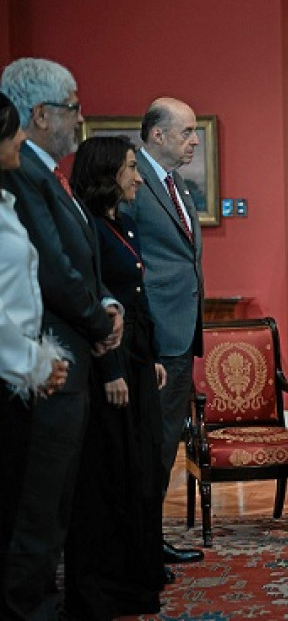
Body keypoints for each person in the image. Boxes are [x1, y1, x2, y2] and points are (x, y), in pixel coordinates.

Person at [0, 57, 124, 619]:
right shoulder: (22, 171)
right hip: (42, 367)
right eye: (73, 107)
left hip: (66, 357)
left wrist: (105, 307)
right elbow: (51, 268)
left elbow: (80, 260)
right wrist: (98, 324)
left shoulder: (47, 173)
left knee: (54, 511)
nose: (81, 118)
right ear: (41, 113)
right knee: (36, 511)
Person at [61, 137, 166, 617]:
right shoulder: (88, 227)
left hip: (138, 358)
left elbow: (138, 296)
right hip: (111, 366)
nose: (138, 177)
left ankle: (137, 572)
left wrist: (153, 357)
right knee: (110, 473)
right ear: (107, 172)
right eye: (130, 167)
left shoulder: (121, 222)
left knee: (140, 467)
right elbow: (90, 301)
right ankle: (108, 584)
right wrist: (112, 370)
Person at [123, 97, 205, 571]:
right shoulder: (134, 182)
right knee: (150, 446)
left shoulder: (177, 184)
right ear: (157, 135)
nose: (195, 141)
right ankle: (140, 546)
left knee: (164, 442)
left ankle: (148, 539)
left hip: (179, 332)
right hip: (152, 336)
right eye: (187, 132)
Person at [0, 90, 70, 616]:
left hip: (18, 374)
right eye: (13, 131)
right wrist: (36, 364)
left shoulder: (7, 197)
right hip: (11, 372)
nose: (21, 137)